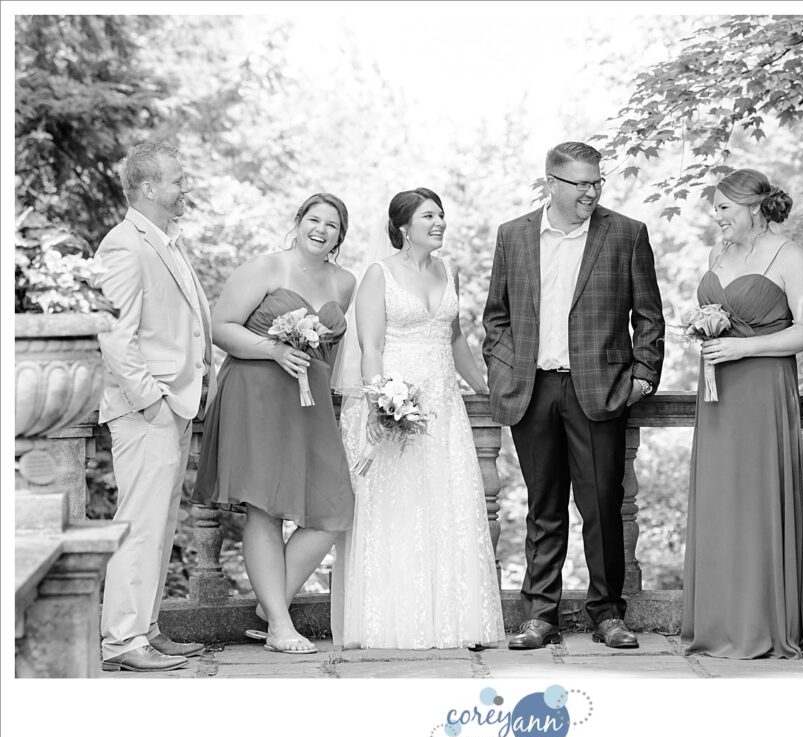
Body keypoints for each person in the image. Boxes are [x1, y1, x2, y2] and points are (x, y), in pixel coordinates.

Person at [483, 141, 665, 650]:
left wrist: (643, 377)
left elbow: (649, 316)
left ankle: (608, 615)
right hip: (531, 389)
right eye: (580, 183)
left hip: (600, 391)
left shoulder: (626, 234)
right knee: (544, 508)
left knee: (603, 507)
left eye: (596, 182)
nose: (590, 191)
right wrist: (502, 372)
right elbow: (496, 316)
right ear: (552, 183)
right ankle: (540, 616)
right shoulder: (513, 235)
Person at [333, 188, 504, 650]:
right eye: (429, 215)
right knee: (400, 509)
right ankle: (394, 623)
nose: (440, 222)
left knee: (449, 506)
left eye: (442, 215)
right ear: (404, 225)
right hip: (399, 406)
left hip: (445, 408)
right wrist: (378, 403)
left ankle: (452, 620)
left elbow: (455, 342)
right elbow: (370, 346)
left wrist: (489, 388)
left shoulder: (447, 272)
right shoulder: (379, 275)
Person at [193, 192, 356, 655]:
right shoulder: (265, 268)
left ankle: (271, 605)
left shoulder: (345, 282)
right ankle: (281, 627)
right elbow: (220, 327)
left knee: (333, 509)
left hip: (310, 403)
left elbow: (337, 349)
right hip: (257, 395)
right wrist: (273, 349)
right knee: (264, 508)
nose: (321, 230)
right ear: (299, 221)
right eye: (314, 219)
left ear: (340, 237)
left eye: (333, 225)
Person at [680, 168, 803, 659]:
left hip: (763, 391)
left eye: (723, 207)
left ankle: (761, 624)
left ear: (753, 208)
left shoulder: (792, 257)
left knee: (757, 500)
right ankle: (719, 623)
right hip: (717, 394)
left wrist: (745, 350)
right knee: (721, 500)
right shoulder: (716, 255)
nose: (715, 216)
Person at [97, 142, 218, 672]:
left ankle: (146, 629)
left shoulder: (164, 240)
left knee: (159, 524)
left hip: (174, 406)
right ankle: (122, 641)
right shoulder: (124, 244)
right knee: (140, 525)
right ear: (147, 187)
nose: (185, 187)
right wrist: (152, 400)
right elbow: (115, 335)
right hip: (147, 408)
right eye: (177, 180)